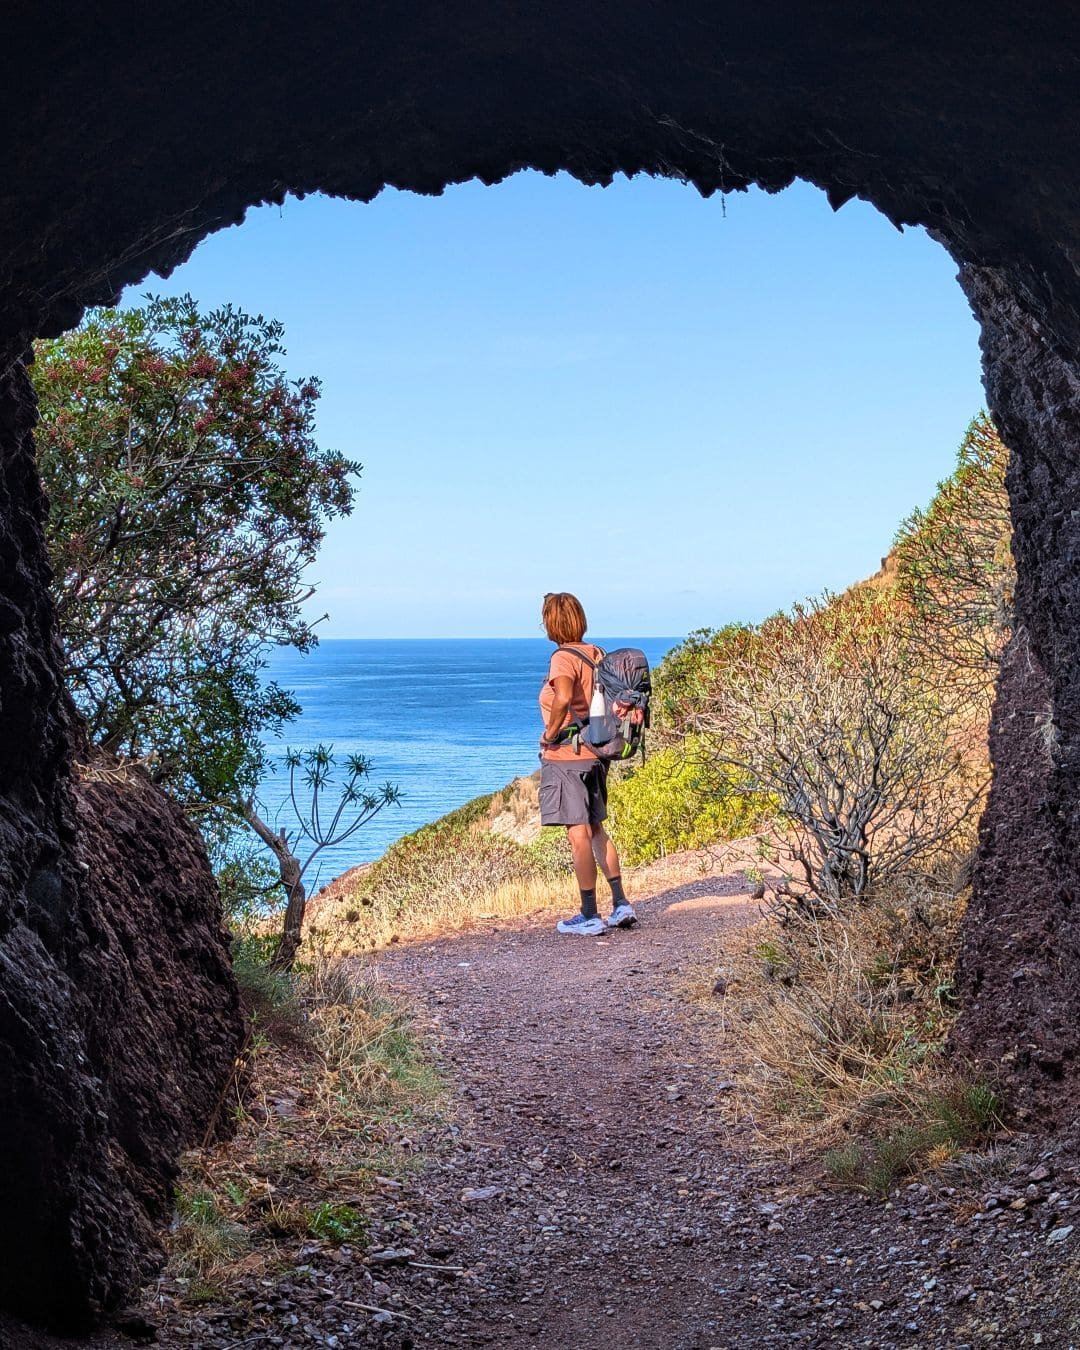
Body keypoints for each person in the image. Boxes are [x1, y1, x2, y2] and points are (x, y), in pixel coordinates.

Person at [538, 592, 636, 936]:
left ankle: (589, 914)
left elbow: (564, 697)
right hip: (597, 754)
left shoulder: (562, 658)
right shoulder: (597, 653)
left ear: (551, 623)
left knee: (577, 834)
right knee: (596, 829)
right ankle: (621, 903)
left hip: (568, 757)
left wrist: (550, 734)